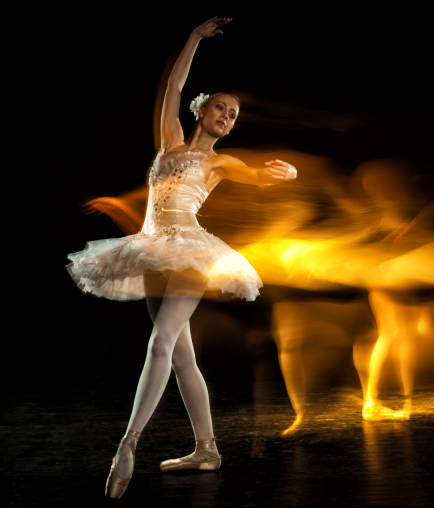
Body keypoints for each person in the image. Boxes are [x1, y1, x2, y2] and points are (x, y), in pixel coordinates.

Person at [66, 17, 297, 500]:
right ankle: (206, 449)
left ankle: (128, 443)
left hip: (192, 252)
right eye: (221, 107)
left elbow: (255, 175)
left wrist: (282, 173)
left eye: (233, 115)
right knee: (182, 355)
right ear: (203, 109)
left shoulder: (220, 163)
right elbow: (173, 85)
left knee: (160, 344)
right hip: (152, 250)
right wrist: (194, 37)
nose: (227, 117)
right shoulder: (168, 140)